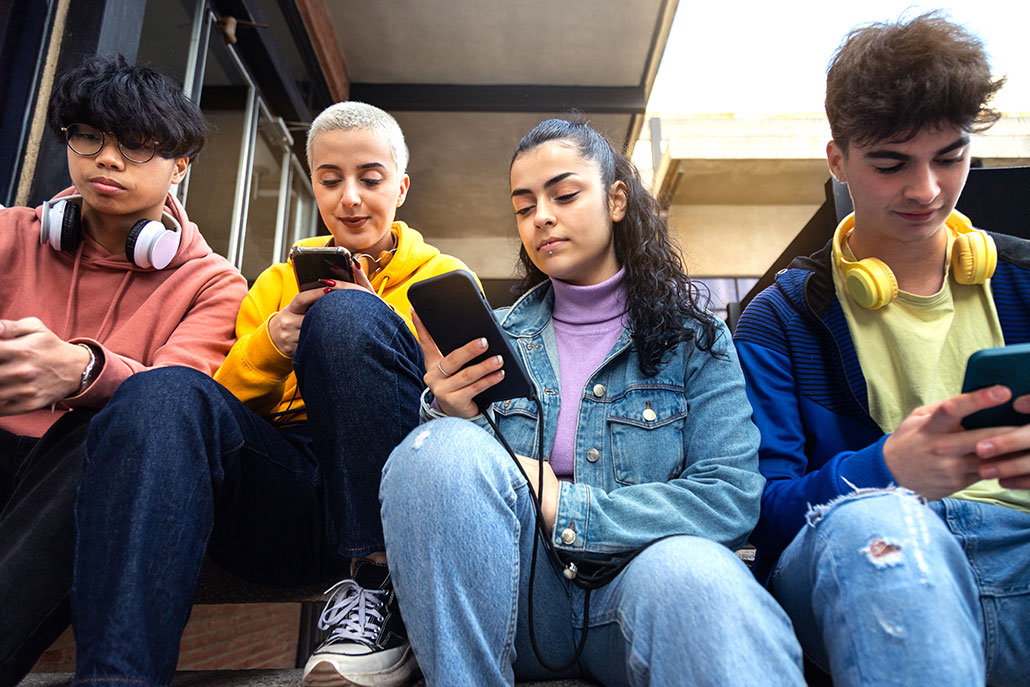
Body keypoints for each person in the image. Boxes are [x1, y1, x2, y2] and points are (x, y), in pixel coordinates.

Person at [379, 119, 805, 686]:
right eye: (523, 205)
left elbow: (727, 498)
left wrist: (565, 503)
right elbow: (455, 506)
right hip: (515, 605)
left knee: (701, 574)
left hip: (640, 590)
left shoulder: (694, 340)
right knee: (433, 449)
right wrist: (450, 415)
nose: (541, 217)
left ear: (617, 200)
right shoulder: (495, 339)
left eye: (564, 194)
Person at [69, 101, 473, 687]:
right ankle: (115, 676)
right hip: (283, 489)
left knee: (345, 314)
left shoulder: (445, 279)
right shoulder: (275, 285)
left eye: (371, 179)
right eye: (331, 181)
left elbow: (466, 410)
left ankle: (380, 590)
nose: (350, 198)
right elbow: (224, 408)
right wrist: (275, 343)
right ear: (314, 185)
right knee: (162, 391)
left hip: (392, 493)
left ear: (402, 187)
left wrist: (364, 325)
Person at [733, 12, 1030, 687]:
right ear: (837, 159)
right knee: (876, 524)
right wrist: (886, 468)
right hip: (873, 550)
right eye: (892, 164)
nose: (926, 190)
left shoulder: (1025, 282)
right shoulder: (778, 320)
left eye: (950, 157)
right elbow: (762, 518)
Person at [0, 56, 247, 686]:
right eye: (90, 137)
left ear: (179, 169)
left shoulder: (213, 285)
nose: (108, 158)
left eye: (137, 147)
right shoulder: (7, 236)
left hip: (81, 477)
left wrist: (86, 373)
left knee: (109, 425)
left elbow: (171, 409)